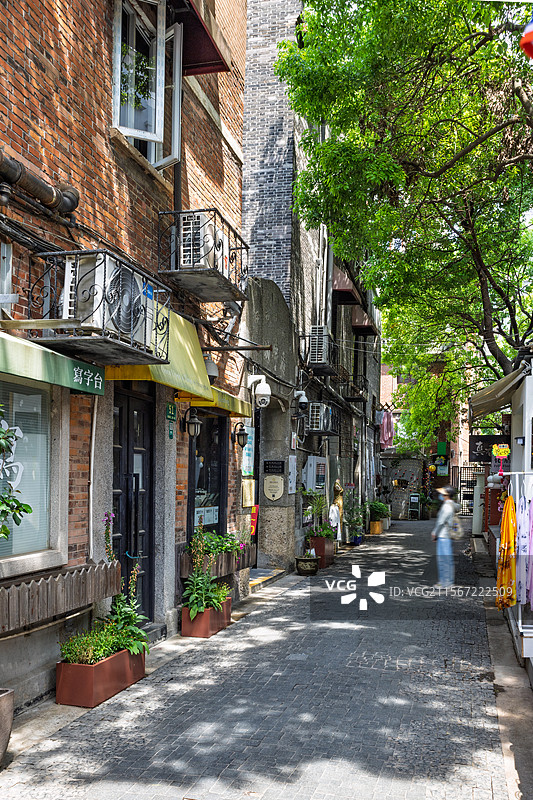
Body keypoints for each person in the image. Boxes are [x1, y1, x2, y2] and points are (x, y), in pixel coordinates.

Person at [431, 485, 460, 588]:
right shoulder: (452, 505)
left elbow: (440, 522)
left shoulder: (447, 506)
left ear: (446, 495)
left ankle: (445, 583)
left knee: (443, 560)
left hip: (443, 535)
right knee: (447, 560)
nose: (441, 495)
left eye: (443, 494)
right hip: (446, 536)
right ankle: (448, 581)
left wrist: (435, 532)